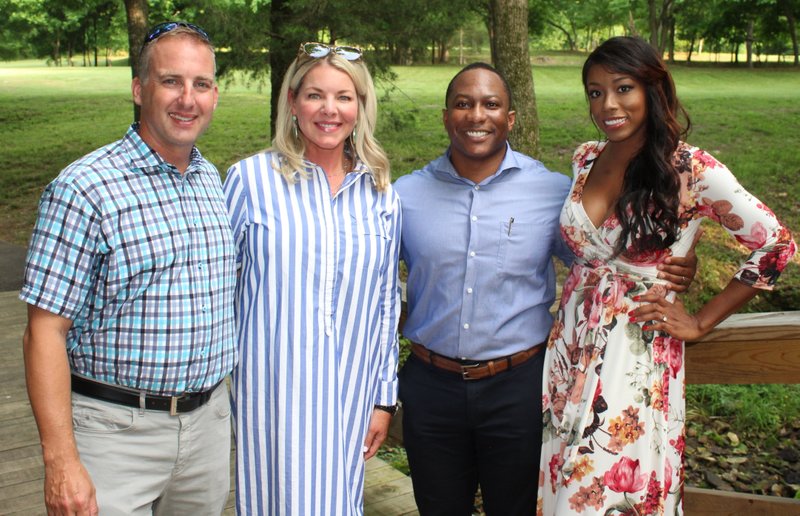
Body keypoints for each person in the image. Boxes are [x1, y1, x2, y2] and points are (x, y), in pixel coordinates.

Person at [394, 62, 696, 516]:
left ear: (510, 119)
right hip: (430, 386)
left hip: (519, 388)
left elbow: (601, 260)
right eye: (463, 103)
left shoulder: (554, 192)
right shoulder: (404, 196)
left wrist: (675, 264)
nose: (477, 115)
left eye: (491, 104)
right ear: (446, 116)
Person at [537, 36, 796, 515]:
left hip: (634, 355)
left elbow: (776, 245)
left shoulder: (690, 168)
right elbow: (587, 250)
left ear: (652, 90)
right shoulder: (585, 158)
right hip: (570, 347)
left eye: (623, 88)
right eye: (594, 92)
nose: (607, 104)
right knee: (561, 481)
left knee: (603, 491)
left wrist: (699, 322)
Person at [20, 21, 235, 516]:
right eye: (171, 81)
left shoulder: (209, 178)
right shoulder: (83, 188)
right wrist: (60, 462)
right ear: (139, 89)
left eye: (200, 84)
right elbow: (43, 334)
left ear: (215, 95)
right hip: (114, 433)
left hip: (206, 427)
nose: (188, 99)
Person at [223, 42, 401, 515]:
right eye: (315, 95)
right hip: (270, 396)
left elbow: (386, 304)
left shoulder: (381, 193)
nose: (329, 110)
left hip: (350, 395)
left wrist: (384, 399)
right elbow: (221, 290)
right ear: (292, 101)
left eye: (344, 97)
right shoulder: (249, 180)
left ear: (361, 107)